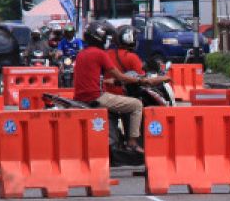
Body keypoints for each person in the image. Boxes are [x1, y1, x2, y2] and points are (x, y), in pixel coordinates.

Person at [72, 20, 146, 151]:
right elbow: (120, 77)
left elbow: (99, 76)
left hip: (80, 97)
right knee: (137, 105)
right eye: (106, 37)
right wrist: (140, 81)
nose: (107, 40)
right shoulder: (100, 54)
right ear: (99, 37)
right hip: (96, 97)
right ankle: (132, 142)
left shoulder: (81, 53)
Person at [108, 25, 169, 99]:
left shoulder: (107, 54)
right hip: (125, 95)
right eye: (134, 37)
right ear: (128, 38)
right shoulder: (131, 57)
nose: (136, 40)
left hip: (108, 94)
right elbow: (143, 79)